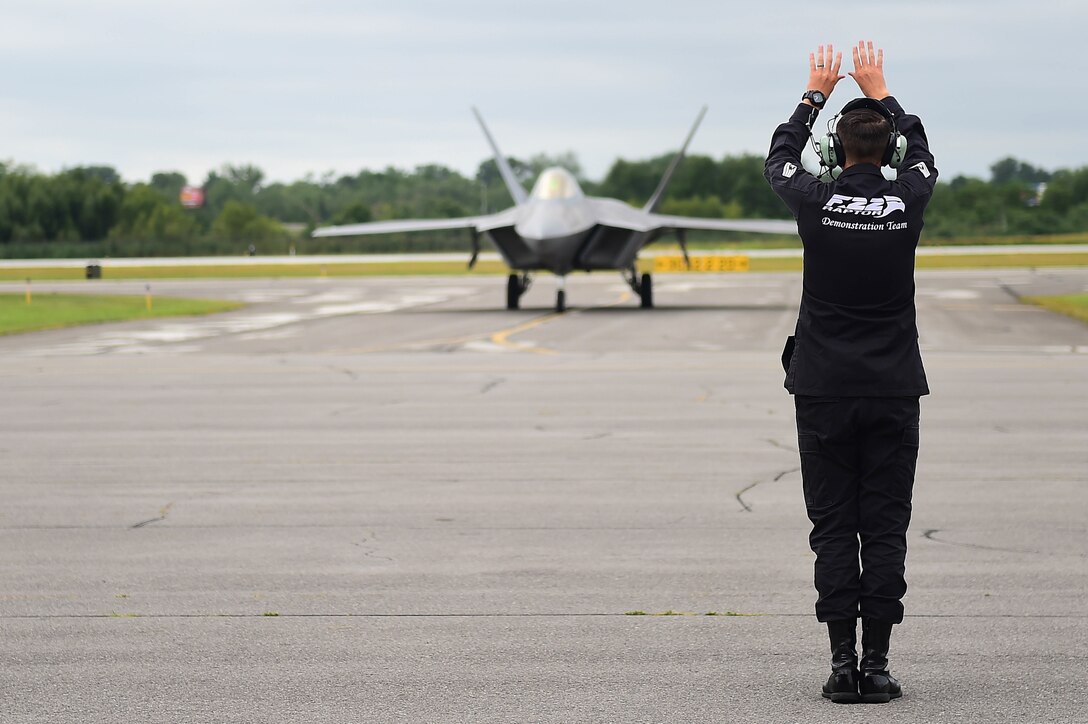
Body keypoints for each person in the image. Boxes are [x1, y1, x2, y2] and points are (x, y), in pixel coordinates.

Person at [763, 41, 938, 704]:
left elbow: (779, 160)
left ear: (836, 154)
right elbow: (922, 155)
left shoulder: (815, 200)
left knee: (834, 526)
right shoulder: (909, 200)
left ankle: (841, 667)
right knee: (885, 525)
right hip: (893, 390)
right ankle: (879, 666)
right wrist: (882, 89)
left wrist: (814, 93)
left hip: (823, 390)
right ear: (889, 153)